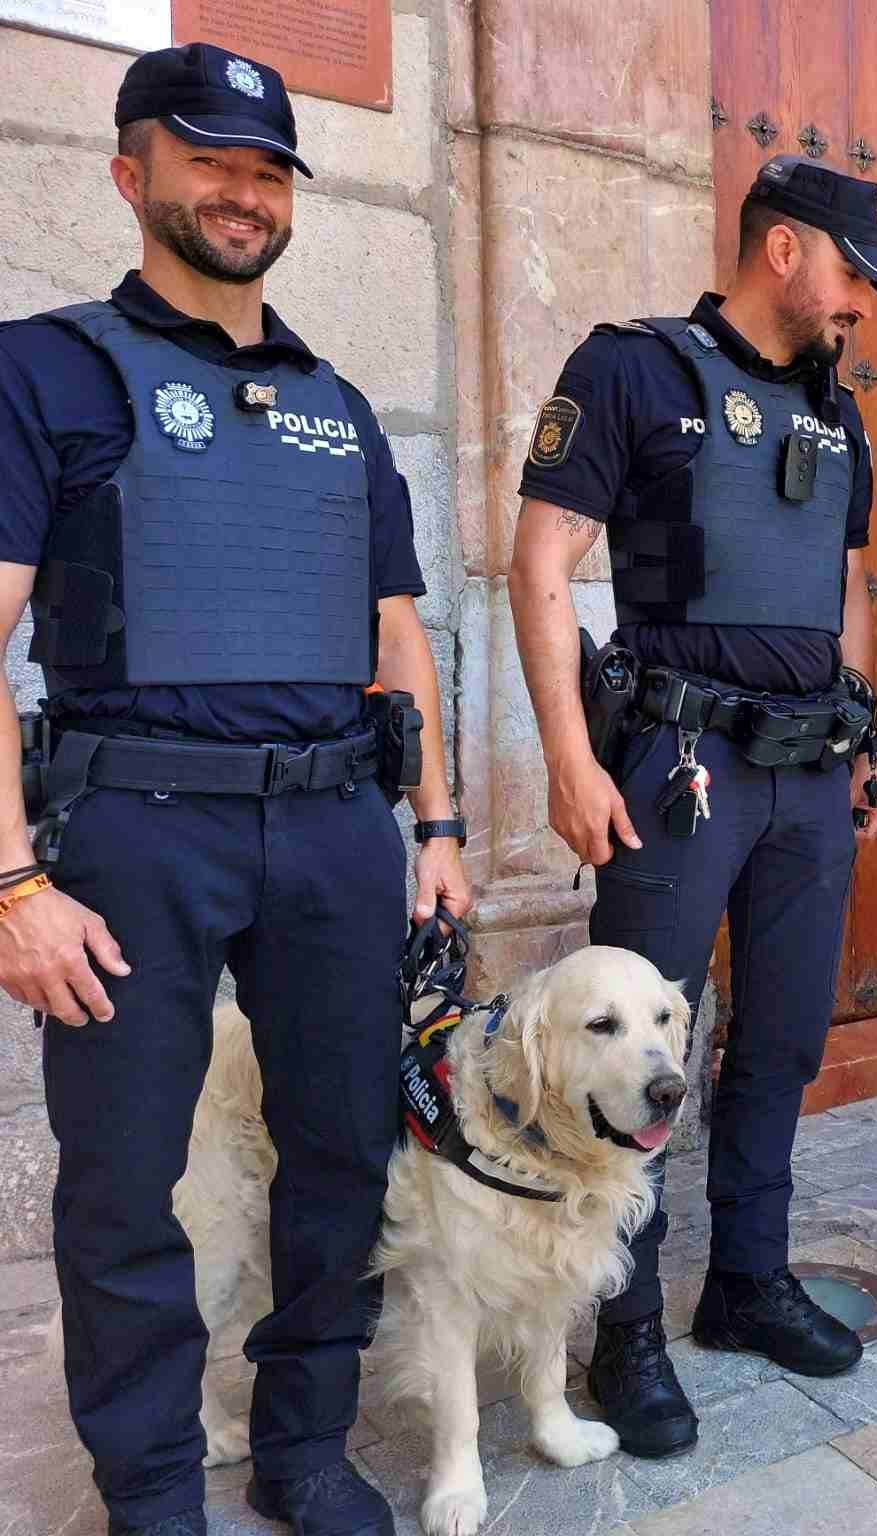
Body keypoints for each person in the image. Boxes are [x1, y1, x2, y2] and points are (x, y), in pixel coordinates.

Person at [0, 44, 467, 1536]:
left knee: (338, 1147)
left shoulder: (334, 400)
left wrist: (441, 828)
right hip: (133, 834)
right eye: (208, 160)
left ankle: (304, 1446)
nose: (242, 191)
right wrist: (12, 883)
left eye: (267, 169)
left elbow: (401, 632)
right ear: (132, 174)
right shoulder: (44, 370)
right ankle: (150, 1487)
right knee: (128, 1185)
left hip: (338, 829)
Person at [508, 154, 877, 1459]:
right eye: (853, 273)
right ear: (783, 249)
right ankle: (622, 1331)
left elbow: (847, 580)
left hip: (805, 775)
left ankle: (747, 1281)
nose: (862, 304)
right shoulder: (634, 368)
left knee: (782, 1039)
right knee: (633, 1058)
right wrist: (569, 757)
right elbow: (538, 559)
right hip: (678, 767)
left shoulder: (833, 414)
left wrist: (859, 729)